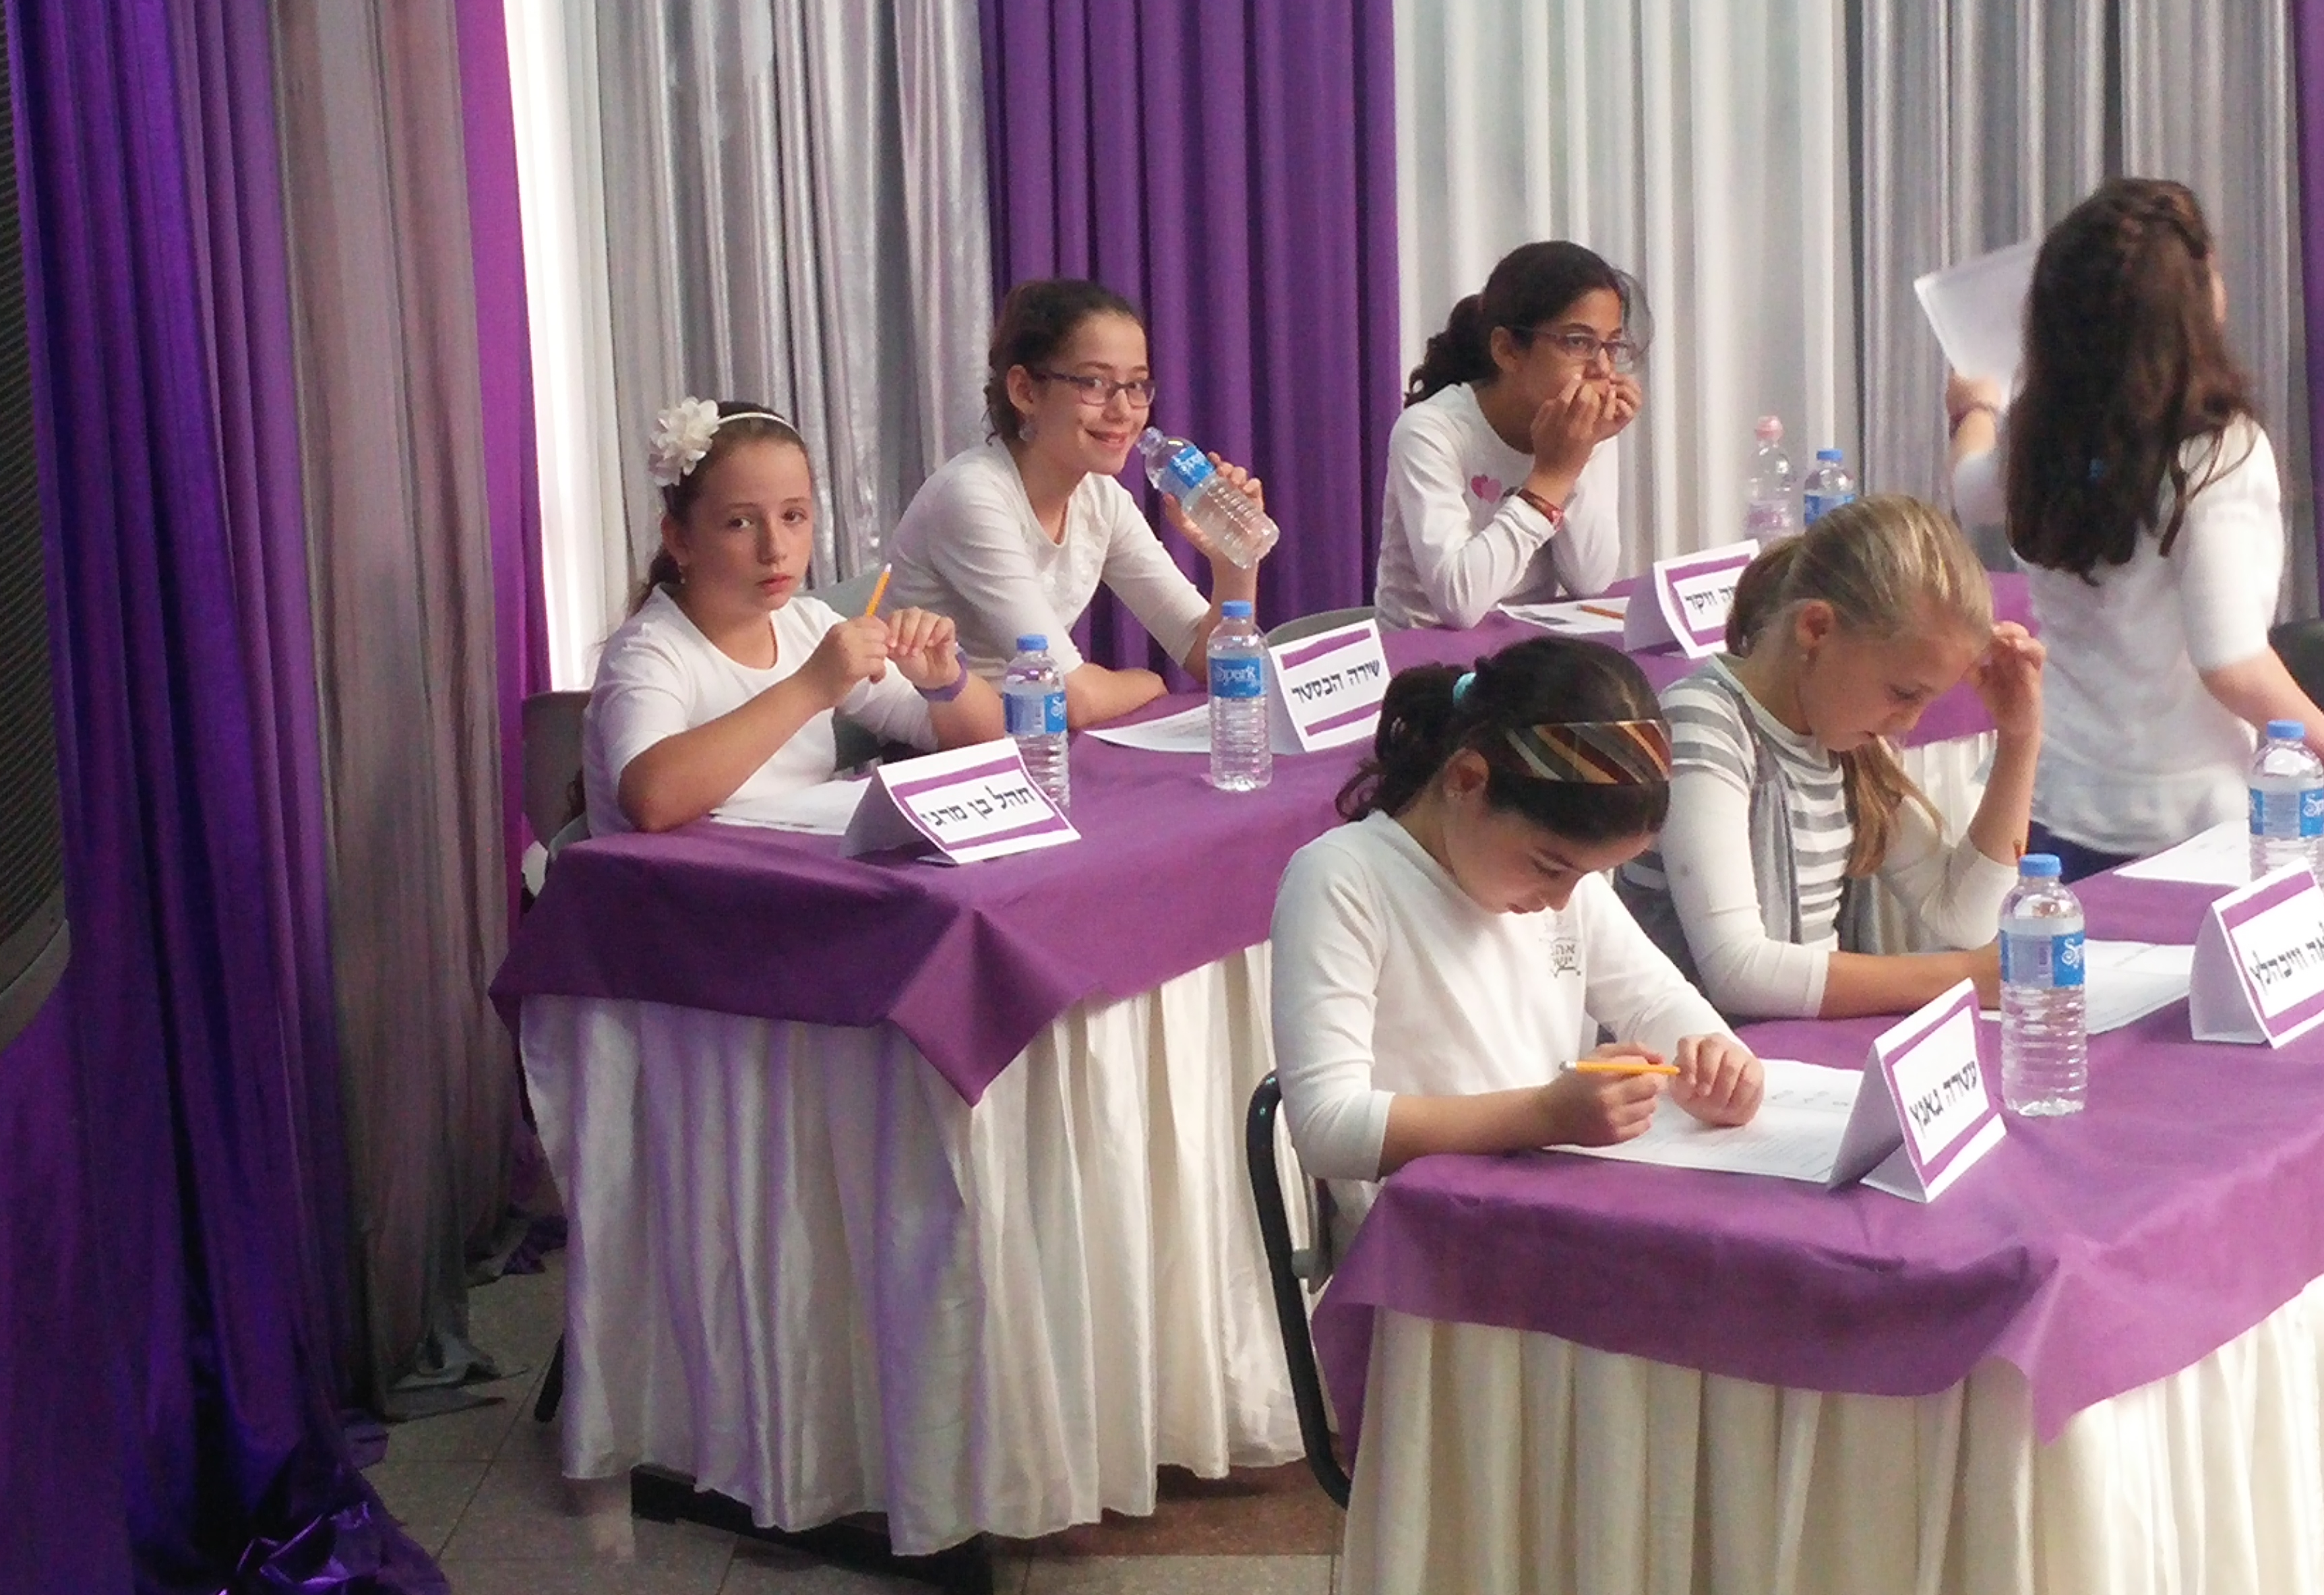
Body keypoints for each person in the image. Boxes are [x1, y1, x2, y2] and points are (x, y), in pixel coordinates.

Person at [1271, 635, 1762, 1236]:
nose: (1561, 900)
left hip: (1540, 1213)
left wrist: (1717, 1058)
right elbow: (1326, 1128)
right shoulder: (1344, 879)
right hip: (1424, 1247)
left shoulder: (1560, 883)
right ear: (1467, 779)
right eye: (1550, 867)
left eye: (1585, 876)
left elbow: (1656, 1001)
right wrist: (1546, 1115)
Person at [1949, 178, 2324, 877]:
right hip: (2184, 821)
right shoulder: (2214, 451)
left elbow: (1971, 493)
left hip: (2054, 798)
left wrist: (1972, 410)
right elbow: (2232, 663)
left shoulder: (2041, 428)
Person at [1614, 495, 2043, 1020]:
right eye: (1903, 693)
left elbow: (1964, 916)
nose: (1909, 723)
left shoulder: (1846, 738)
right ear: (1817, 628)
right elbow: (1737, 970)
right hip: (1698, 1055)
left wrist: (2019, 738)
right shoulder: (1703, 722)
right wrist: (1966, 977)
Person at [585, 398, 1005, 835]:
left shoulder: (809, 625)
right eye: (739, 523)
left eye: (793, 516)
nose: (775, 548)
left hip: (790, 867)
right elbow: (652, 799)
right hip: (679, 878)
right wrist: (811, 687)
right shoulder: (648, 650)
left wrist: (944, 682)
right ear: (679, 539)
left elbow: (985, 740)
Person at [886, 278, 1273, 727]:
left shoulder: (1101, 497)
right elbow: (1071, 696)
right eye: (1095, 383)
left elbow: (1210, 661)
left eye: (1137, 385)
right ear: (1025, 391)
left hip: (1030, 737)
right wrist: (1149, 682)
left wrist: (1235, 562)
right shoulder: (972, 496)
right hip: (948, 748)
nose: (1123, 410)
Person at [1374, 241, 1641, 630]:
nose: (1601, 368)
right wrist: (1551, 478)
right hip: (1426, 651)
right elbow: (1459, 605)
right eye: (1578, 342)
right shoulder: (1429, 431)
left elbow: (1590, 581)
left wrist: (1579, 457)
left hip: (1527, 646)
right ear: (1508, 351)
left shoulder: (1581, 427)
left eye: (1612, 345)